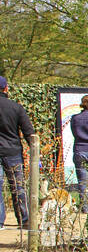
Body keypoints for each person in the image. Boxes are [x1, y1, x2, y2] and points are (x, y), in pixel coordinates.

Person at [0, 76, 34, 229]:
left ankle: (0, 222)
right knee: (17, 186)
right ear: (6, 88)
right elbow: (29, 132)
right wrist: (35, 152)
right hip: (12, 151)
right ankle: (24, 220)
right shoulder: (16, 107)